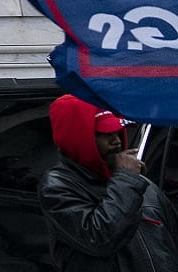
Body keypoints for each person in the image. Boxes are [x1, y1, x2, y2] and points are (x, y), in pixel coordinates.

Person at [40, 94, 178, 271]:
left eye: (117, 131)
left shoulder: (139, 185)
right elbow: (102, 239)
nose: (117, 141)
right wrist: (126, 179)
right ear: (80, 137)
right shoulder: (57, 188)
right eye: (105, 134)